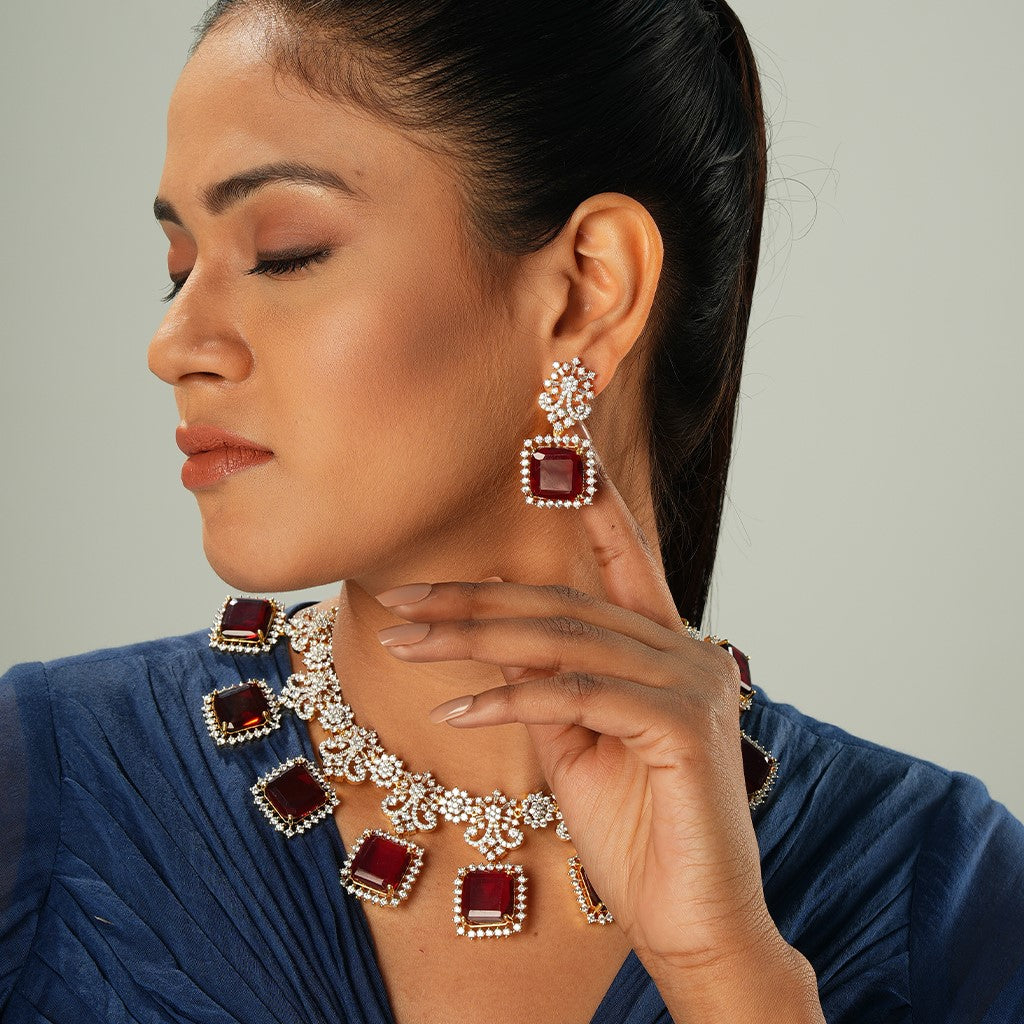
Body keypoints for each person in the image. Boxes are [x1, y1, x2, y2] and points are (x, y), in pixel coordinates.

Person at [2, 1, 1022, 1021]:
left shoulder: (947, 895)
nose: (173, 343)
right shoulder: (41, 786)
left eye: (284, 251)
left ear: (587, 291)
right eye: (178, 270)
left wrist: (727, 975)